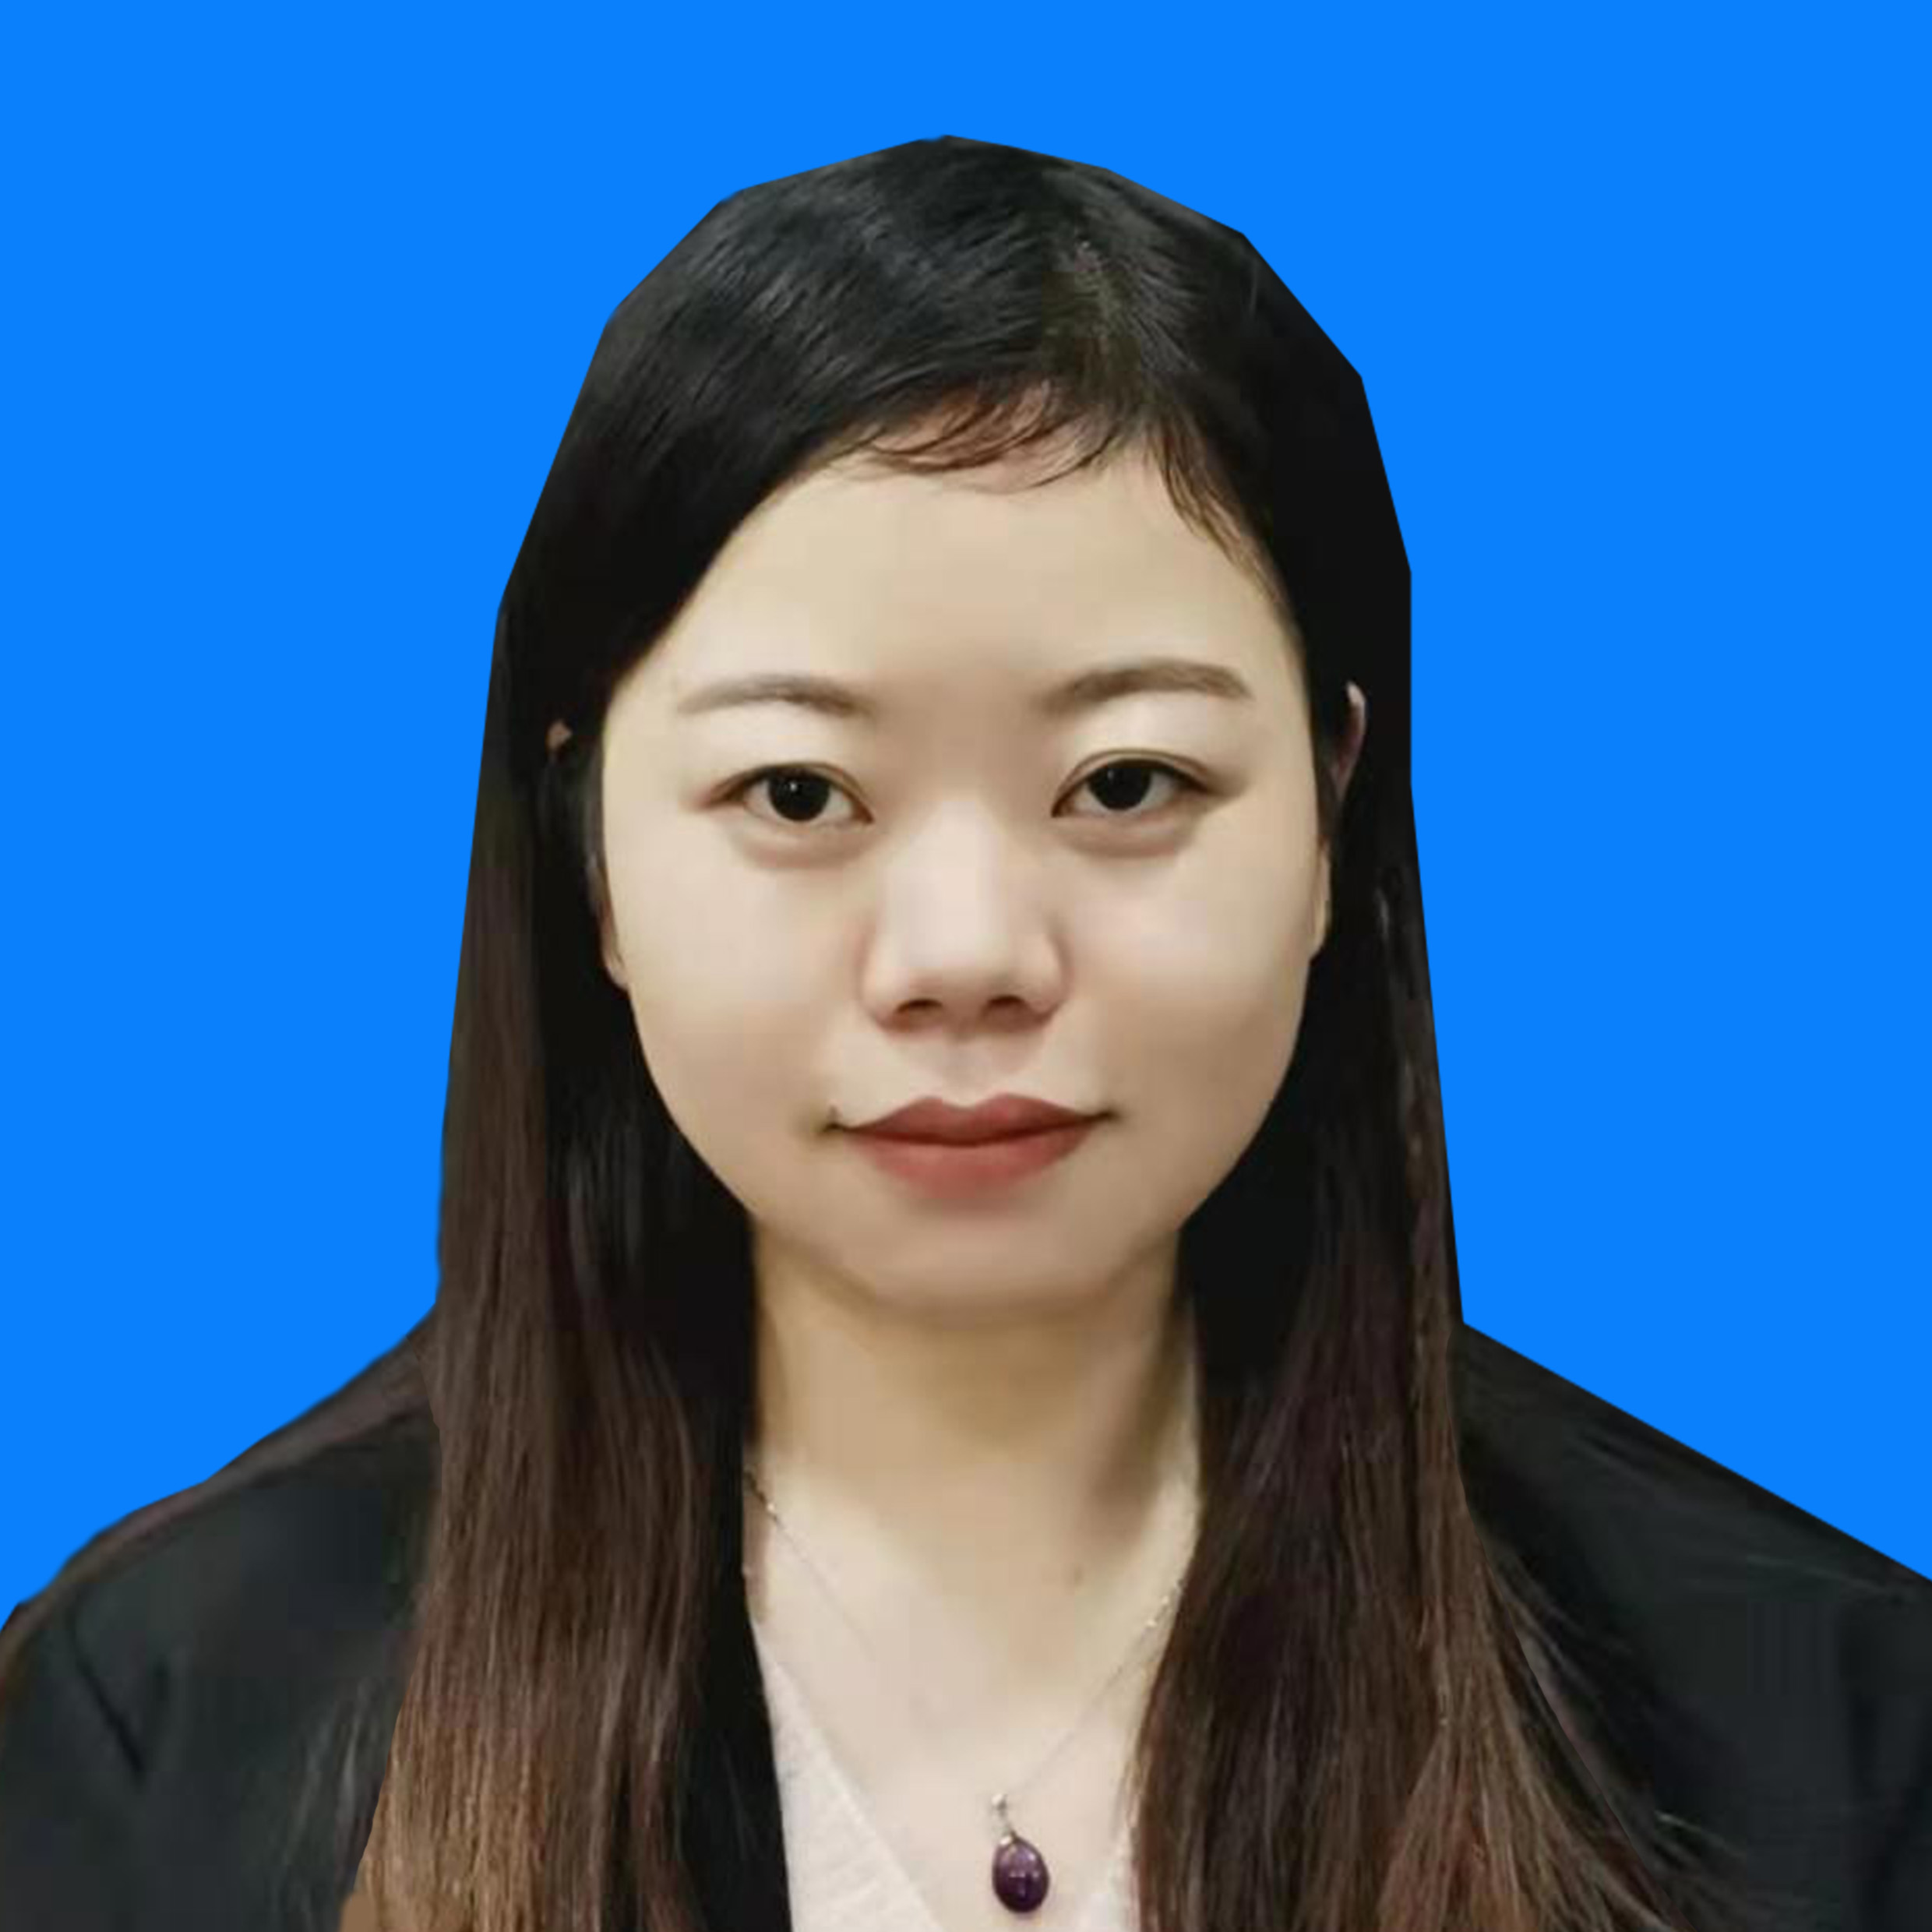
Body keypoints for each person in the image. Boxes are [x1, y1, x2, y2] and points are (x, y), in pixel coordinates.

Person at [0, 134, 1925, 1932]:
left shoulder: (1812, 1723)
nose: (966, 956)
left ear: (1332, 816)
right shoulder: (170, 1718)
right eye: (798, 794)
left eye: (1126, 782)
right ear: (589, 849)